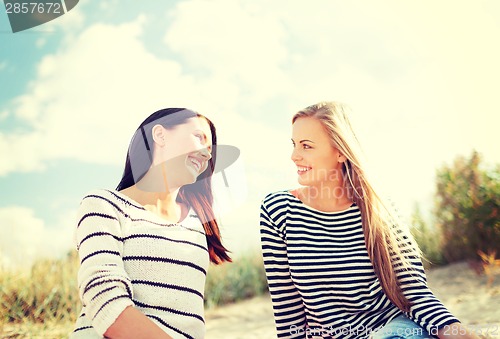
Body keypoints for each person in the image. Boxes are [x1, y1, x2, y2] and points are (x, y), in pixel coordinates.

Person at [260, 102, 478, 339]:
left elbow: (415, 295)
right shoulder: (277, 211)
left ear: (341, 152)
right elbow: (288, 312)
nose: (294, 156)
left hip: (398, 331)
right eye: (294, 144)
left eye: (306, 146)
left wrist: (461, 335)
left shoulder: (380, 209)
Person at [71, 108, 231, 339]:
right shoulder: (104, 204)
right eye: (199, 137)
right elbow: (103, 299)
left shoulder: (196, 226)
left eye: (211, 149)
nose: (207, 154)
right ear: (160, 135)